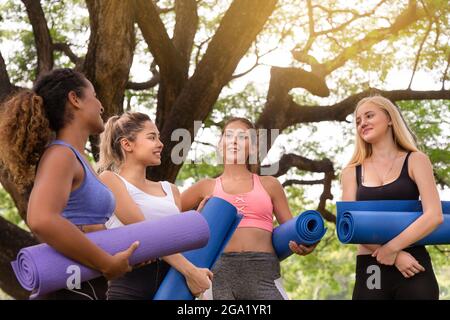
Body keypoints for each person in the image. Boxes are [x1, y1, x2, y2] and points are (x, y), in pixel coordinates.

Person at [0, 68, 139, 300]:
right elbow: (41, 219)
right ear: (75, 99)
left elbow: (84, 223)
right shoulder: (60, 155)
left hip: (89, 284)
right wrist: (106, 263)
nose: (101, 105)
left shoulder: (77, 159)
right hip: (71, 287)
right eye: (94, 95)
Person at [181, 117, 318, 300]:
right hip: (219, 273)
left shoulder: (270, 185)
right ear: (221, 144)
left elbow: (293, 231)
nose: (234, 141)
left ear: (253, 148)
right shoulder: (205, 186)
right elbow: (171, 221)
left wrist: (307, 245)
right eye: (228, 135)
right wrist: (196, 219)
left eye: (242, 137)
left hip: (264, 272)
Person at [97, 112, 213, 300]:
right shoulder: (110, 180)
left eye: (158, 137)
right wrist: (191, 272)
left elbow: (176, 243)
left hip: (173, 283)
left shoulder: (170, 190)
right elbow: (144, 231)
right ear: (127, 144)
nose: (160, 144)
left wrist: (193, 225)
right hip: (131, 285)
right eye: (152, 137)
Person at [340, 95, 443, 300]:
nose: (363, 123)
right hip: (371, 266)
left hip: (413, 263)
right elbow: (347, 225)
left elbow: (434, 215)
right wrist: (392, 255)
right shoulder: (351, 171)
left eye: (369, 116)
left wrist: (393, 250)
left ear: (389, 119)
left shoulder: (416, 160)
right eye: (358, 121)